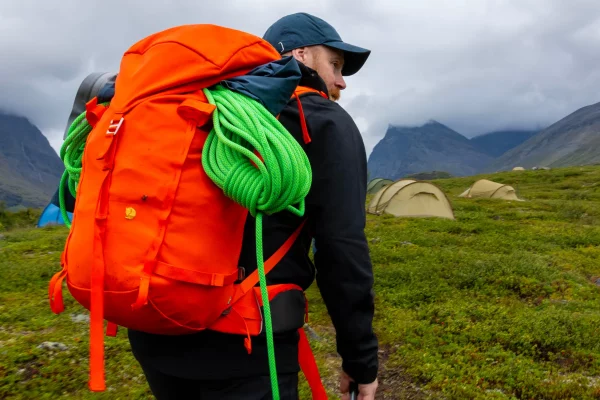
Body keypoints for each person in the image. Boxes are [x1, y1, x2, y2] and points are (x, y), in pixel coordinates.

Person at [54, 13, 379, 400]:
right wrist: (360, 359)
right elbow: (342, 248)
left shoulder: (184, 109)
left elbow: (77, 196)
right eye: (336, 65)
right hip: (247, 349)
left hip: (154, 329)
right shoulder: (322, 120)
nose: (341, 82)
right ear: (301, 55)